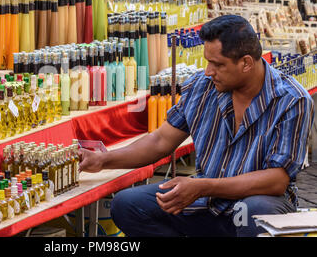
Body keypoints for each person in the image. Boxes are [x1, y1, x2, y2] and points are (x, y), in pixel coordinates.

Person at [78, 15, 314, 237]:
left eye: (217, 64)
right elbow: (161, 141)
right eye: (207, 62)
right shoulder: (202, 87)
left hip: (256, 202)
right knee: (127, 204)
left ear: (245, 63)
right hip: (205, 200)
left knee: (253, 210)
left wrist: (202, 187)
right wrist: (104, 159)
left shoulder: (292, 100)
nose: (209, 71)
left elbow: (276, 180)